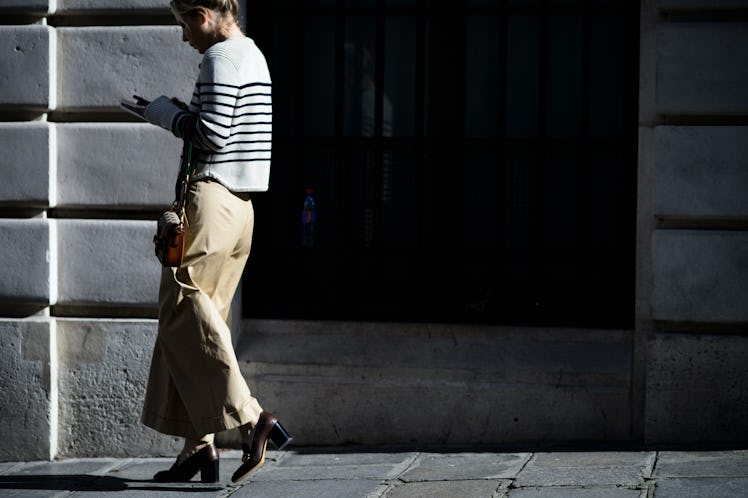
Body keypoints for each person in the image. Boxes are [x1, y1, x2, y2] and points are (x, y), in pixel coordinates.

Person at [139, 0, 291, 484]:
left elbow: (213, 135)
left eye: (185, 24)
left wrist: (164, 115)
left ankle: (251, 419)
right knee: (206, 326)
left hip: (212, 199)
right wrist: (188, 114)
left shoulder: (219, 58)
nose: (185, 37)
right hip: (242, 208)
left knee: (183, 311)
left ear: (203, 14)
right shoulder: (255, 54)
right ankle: (197, 448)